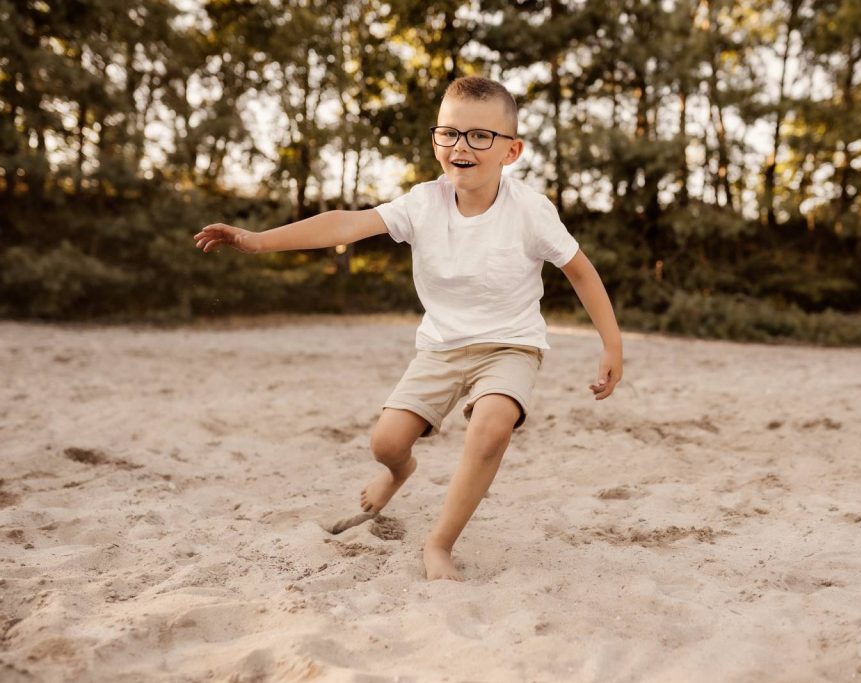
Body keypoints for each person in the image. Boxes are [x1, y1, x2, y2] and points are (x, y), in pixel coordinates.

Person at [194, 76, 623, 581]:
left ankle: (439, 545)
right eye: (450, 134)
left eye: (480, 136)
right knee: (386, 443)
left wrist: (611, 344)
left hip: (510, 345)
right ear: (437, 140)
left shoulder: (530, 211)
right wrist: (257, 241)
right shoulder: (423, 203)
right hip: (440, 348)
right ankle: (399, 472)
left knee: (491, 425)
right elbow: (345, 224)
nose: (462, 146)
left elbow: (579, 271)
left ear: (512, 150)